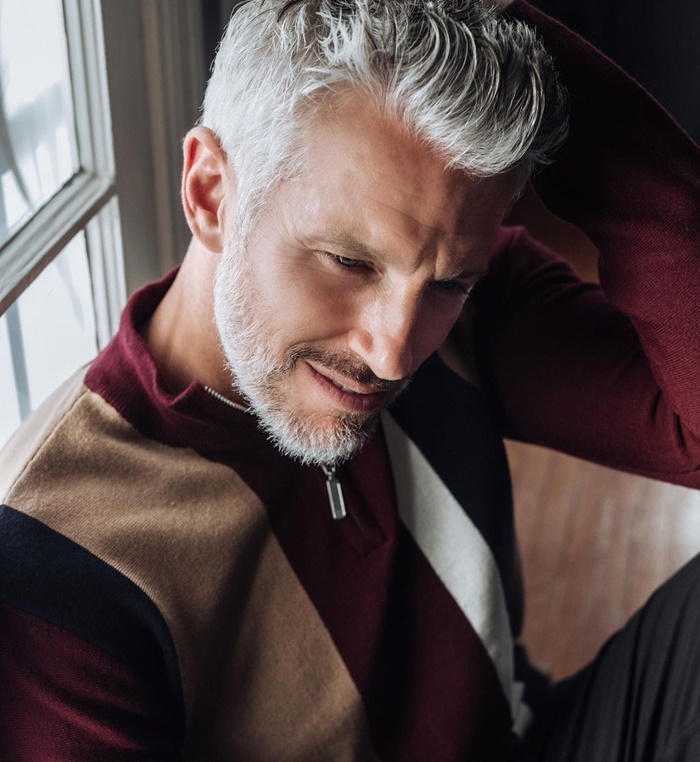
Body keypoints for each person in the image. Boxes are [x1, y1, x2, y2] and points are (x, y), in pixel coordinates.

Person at [0, 0, 698, 759]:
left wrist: (511, 29)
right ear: (211, 194)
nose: (393, 354)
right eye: (350, 262)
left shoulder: (472, 304)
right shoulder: (54, 570)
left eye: (448, 283)